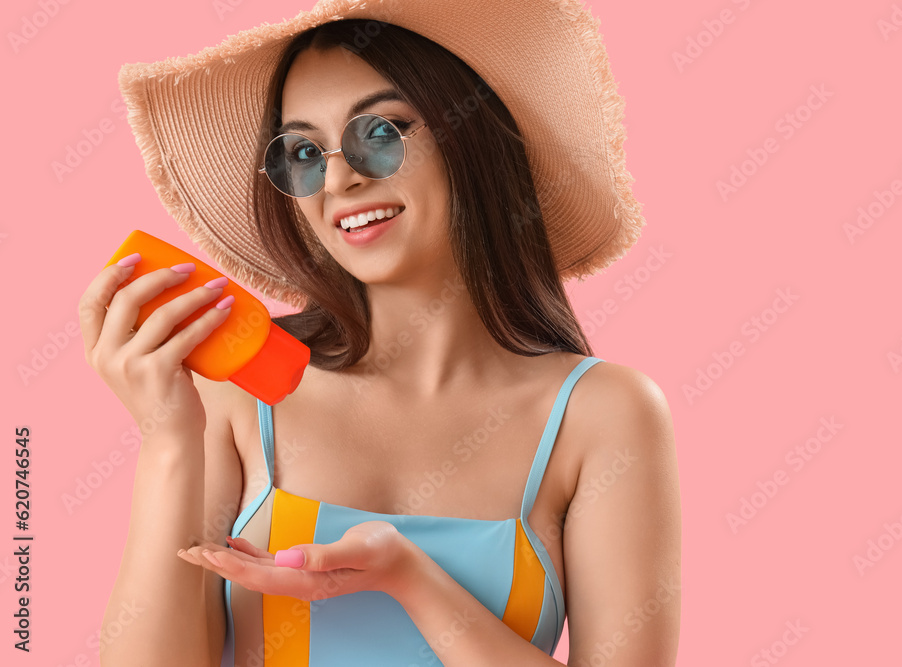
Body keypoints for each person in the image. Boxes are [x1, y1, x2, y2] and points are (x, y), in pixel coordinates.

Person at [79, 1, 680, 665]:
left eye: (382, 131)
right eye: (305, 151)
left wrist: (410, 578)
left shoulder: (603, 415)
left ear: (468, 135)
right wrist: (167, 438)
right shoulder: (235, 396)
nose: (340, 178)